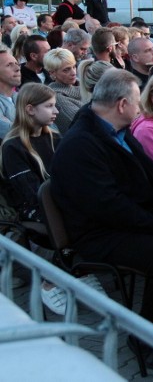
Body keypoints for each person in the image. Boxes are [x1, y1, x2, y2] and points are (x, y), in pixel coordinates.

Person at [51, 69, 153, 369]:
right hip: (98, 234)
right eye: (138, 102)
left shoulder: (115, 130)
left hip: (127, 220)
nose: (142, 109)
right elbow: (107, 207)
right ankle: (144, 341)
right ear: (122, 105)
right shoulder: (81, 144)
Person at [0, 83, 105, 315]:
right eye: (49, 106)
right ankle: (51, 280)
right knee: (74, 221)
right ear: (29, 109)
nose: (55, 111)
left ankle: (79, 268)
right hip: (32, 208)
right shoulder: (13, 147)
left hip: (61, 202)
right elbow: (30, 193)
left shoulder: (54, 138)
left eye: (55, 105)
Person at [44, 48, 83, 133]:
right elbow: (83, 121)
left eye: (74, 67)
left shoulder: (83, 85)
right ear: (52, 73)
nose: (73, 72)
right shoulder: (56, 96)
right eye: (66, 70)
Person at [0, 44, 22, 139]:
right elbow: (10, 132)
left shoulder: (22, 97)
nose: (17, 69)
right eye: (9, 65)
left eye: (17, 64)